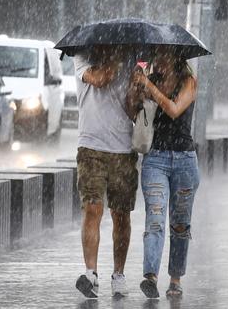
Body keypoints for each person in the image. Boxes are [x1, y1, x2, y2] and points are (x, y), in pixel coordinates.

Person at [126, 50, 200, 299]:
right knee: (155, 219)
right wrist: (135, 87)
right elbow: (131, 112)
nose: (159, 59)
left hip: (184, 160)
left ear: (176, 56)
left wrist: (150, 86)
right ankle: (150, 276)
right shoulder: (152, 78)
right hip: (155, 158)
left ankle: (175, 279)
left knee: (179, 225)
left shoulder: (188, 81)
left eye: (164, 55)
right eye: (157, 55)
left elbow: (174, 109)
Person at [74, 46, 138, 298]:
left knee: (121, 214)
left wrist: (137, 89)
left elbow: (133, 110)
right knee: (92, 207)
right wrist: (116, 59)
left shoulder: (131, 60)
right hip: (90, 146)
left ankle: (118, 274)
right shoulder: (82, 57)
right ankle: (91, 274)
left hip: (123, 148)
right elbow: (99, 79)